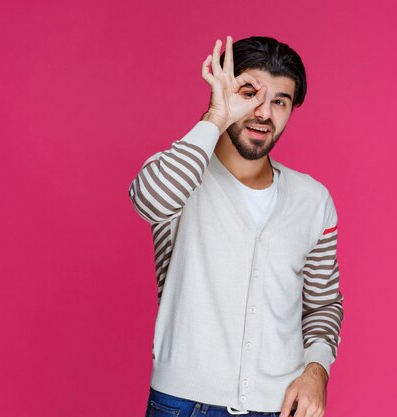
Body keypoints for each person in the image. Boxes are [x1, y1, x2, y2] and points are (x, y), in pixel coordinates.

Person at [128, 35, 344, 417]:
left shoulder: (313, 200)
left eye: (280, 101)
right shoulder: (180, 174)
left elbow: (323, 303)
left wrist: (317, 371)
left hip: (279, 407)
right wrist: (216, 115)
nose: (263, 112)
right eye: (249, 93)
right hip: (182, 405)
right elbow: (150, 202)